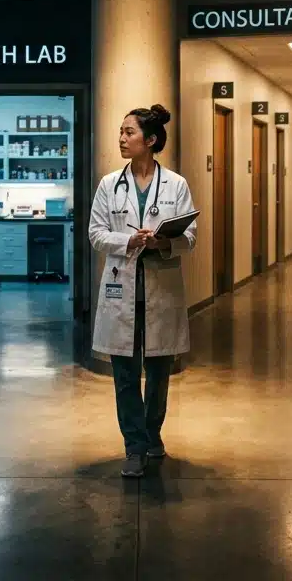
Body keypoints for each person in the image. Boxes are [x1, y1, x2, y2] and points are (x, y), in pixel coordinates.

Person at [89, 104, 196, 478]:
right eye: (120, 132)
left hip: (160, 293)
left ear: (150, 140)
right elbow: (96, 233)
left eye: (129, 132)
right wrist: (129, 240)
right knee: (125, 377)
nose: (121, 138)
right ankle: (133, 447)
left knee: (159, 375)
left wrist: (164, 243)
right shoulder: (108, 185)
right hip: (122, 288)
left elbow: (190, 236)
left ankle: (153, 435)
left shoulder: (176, 185)